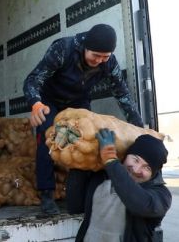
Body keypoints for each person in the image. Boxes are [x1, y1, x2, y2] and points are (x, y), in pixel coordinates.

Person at [23, 24, 144, 214]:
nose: (100, 60)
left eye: (105, 56)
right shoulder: (63, 49)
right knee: (48, 140)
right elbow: (33, 79)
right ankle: (46, 192)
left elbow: (122, 95)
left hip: (79, 101)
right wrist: (35, 103)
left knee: (87, 141)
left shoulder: (109, 63)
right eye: (96, 55)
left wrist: (140, 127)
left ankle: (83, 192)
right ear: (85, 47)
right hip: (50, 99)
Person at [66, 129, 171, 241]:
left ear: (153, 173)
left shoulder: (161, 195)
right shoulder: (101, 177)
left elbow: (140, 205)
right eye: (135, 160)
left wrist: (110, 158)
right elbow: (74, 207)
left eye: (147, 167)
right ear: (126, 156)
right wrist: (77, 164)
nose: (136, 170)